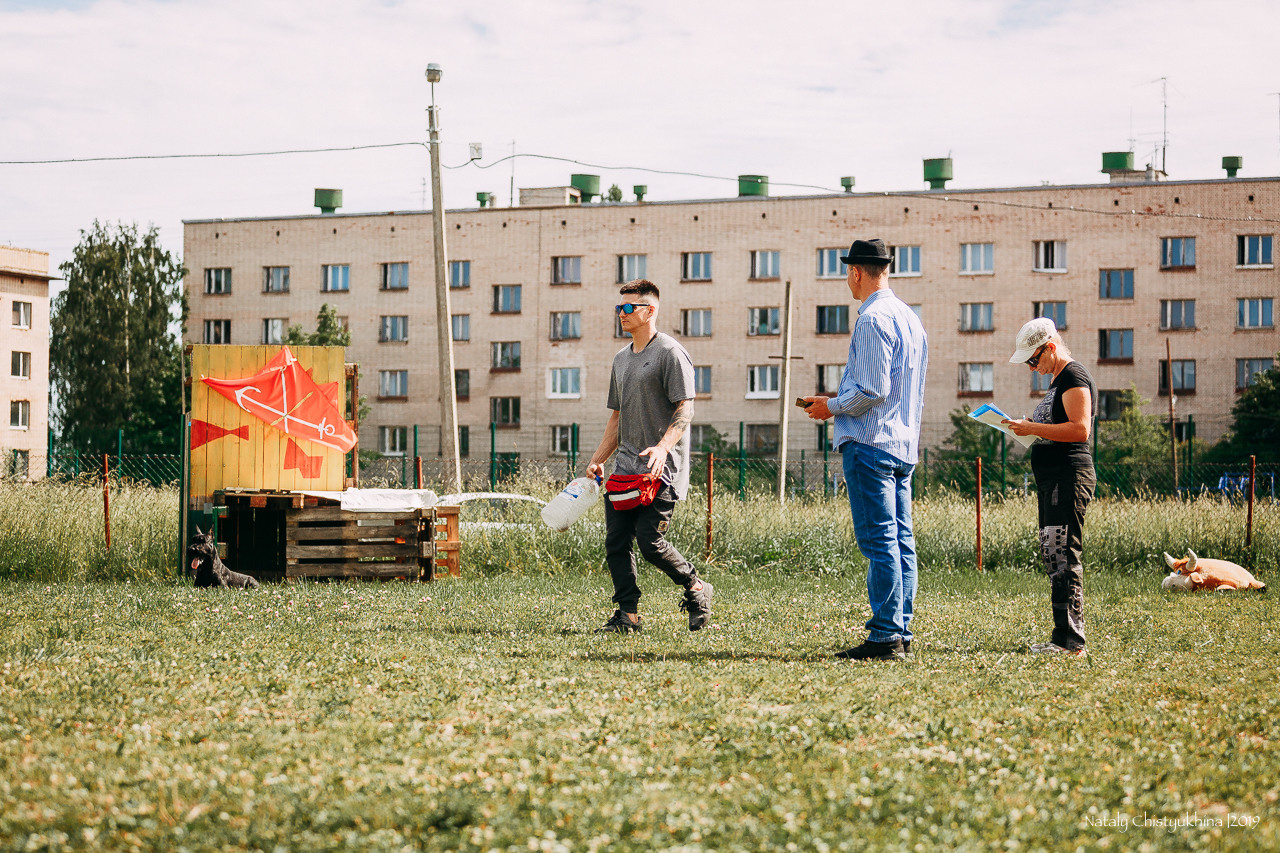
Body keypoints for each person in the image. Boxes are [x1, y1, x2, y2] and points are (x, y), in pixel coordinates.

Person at [802, 239, 928, 661]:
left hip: (871, 444)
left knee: (880, 542)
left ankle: (885, 636)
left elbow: (873, 390)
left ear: (856, 272)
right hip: (902, 445)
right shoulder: (911, 319)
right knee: (901, 540)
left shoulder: (872, 319)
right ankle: (901, 628)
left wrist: (829, 406)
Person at [586, 279, 713, 633]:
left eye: (629, 308)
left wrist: (662, 446)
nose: (622, 314)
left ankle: (696, 587)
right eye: (619, 307)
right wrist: (599, 458)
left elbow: (685, 410)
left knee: (650, 542)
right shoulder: (621, 359)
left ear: (650, 310)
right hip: (625, 468)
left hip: (661, 470)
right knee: (616, 543)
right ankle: (628, 615)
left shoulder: (671, 353)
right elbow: (617, 416)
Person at [1001, 318, 1097, 657]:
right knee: (1054, 555)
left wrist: (1032, 428)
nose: (1032, 367)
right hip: (1054, 479)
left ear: (1050, 348)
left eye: (1033, 360)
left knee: (1064, 555)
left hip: (1068, 477)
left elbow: (1079, 429)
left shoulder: (1074, 376)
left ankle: (1072, 642)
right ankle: (1062, 637)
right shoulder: (1058, 381)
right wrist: (1029, 427)